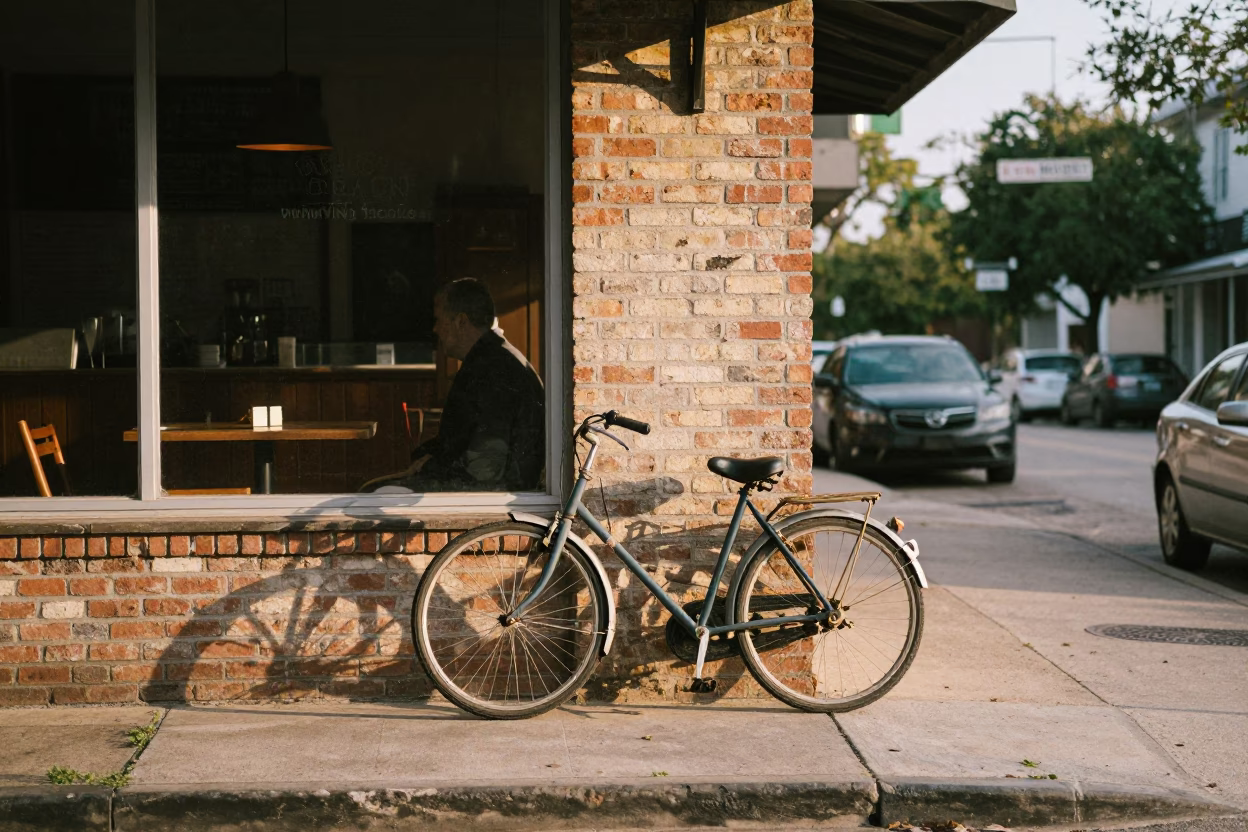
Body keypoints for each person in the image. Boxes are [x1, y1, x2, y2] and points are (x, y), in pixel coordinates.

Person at [362, 278, 544, 493]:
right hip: (494, 484)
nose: (435, 329)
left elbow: (485, 466)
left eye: (439, 320)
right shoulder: (490, 359)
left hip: (496, 492)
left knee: (374, 495)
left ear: (461, 321)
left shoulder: (493, 369)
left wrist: (430, 466)